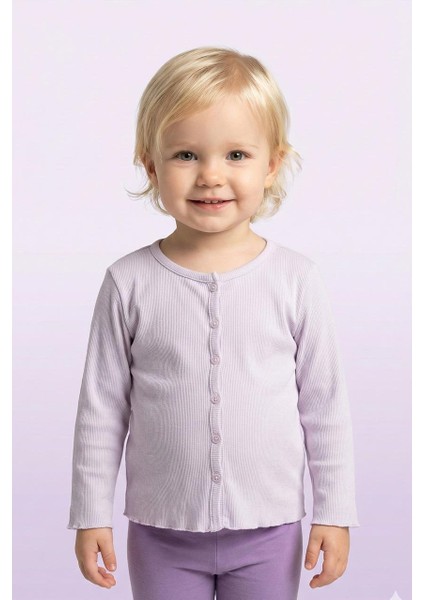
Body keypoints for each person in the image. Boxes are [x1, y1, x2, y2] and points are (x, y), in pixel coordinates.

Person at [67, 46, 359, 600]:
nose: (210, 176)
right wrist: (90, 514)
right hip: (161, 532)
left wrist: (335, 511)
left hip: (270, 530)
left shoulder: (296, 279)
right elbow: (100, 410)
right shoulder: (128, 282)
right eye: (185, 154)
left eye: (236, 154)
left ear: (271, 164)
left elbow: (325, 407)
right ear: (151, 165)